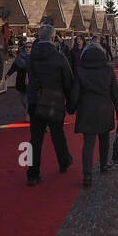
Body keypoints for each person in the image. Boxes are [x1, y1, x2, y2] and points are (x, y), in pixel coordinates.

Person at [25, 24, 77, 186]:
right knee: (57, 134)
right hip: (54, 99)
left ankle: (33, 173)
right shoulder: (59, 57)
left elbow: (30, 77)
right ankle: (63, 161)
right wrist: (71, 102)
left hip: (35, 100)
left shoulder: (32, 56)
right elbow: (68, 80)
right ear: (53, 38)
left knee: (36, 138)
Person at [73, 41, 118, 187]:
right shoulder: (108, 70)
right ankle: (103, 164)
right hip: (104, 109)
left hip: (86, 110)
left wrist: (70, 108)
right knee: (104, 139)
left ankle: (87, 174)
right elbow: (116, 94)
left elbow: (75, 94)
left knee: (88, 144)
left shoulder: (80, 71)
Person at [9, 39, 31, 118]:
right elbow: (14, 67)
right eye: (26, 47)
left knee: (28, 99)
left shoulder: (34, 58)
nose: (28, 48)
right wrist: (8, 74)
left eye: (30, 47)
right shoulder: (19, 58)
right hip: (21, 80)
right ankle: (28, 111)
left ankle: (27, 114)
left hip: (31, 81)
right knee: (22, 99)